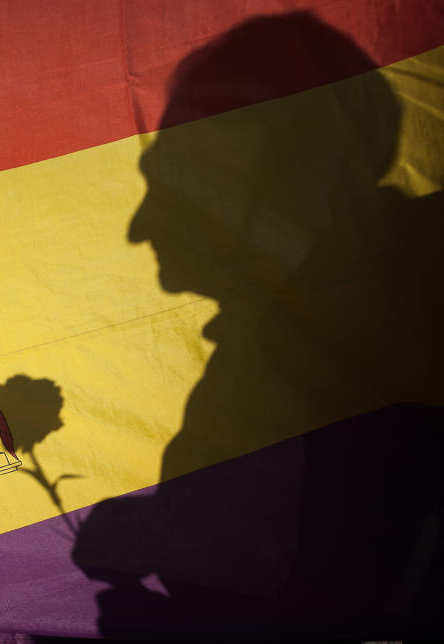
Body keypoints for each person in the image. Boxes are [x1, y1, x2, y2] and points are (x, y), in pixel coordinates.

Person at [72, 12, 444, 639]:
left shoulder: (403, 323)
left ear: (289, 173)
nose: (140, 227)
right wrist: (171, 540)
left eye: (183, 180)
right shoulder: (275, 341)